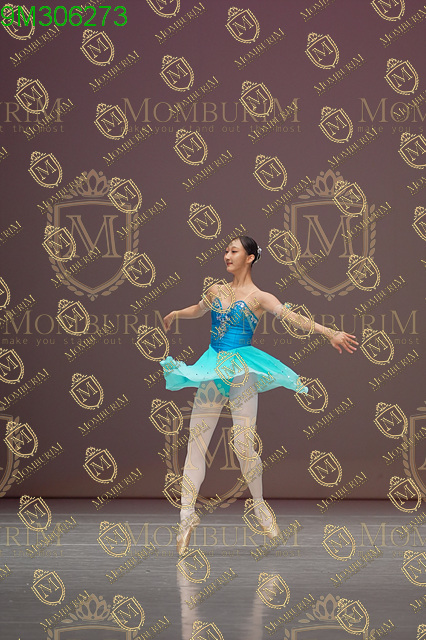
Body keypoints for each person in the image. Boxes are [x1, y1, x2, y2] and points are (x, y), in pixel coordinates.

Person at [160, 235, 358, 554]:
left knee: (242, 445)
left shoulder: (260, 297)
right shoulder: (215, 290)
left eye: (234, 251)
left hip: (242, 370)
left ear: (250, 257)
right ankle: (186, 517)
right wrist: (176, 313)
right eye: (226, 251)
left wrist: (329, 332)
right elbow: (198, 309)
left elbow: (293, 318)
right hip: (213, 367)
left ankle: (260, 504)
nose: (227, 255)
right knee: (195, 442)